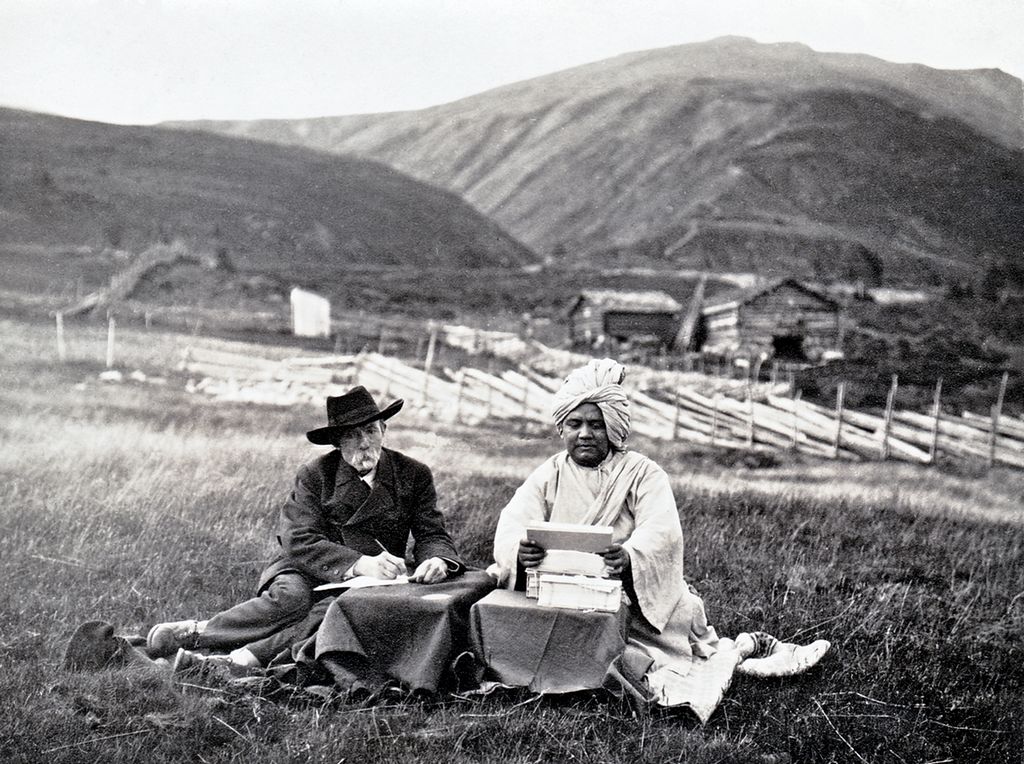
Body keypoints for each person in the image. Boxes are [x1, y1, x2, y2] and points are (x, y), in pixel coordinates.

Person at [489, 359, 828, 720]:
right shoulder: (550, 473)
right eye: (574, 424)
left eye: (596, 424)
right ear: (562, 428)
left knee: (643, 650)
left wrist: (630, 557)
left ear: (614, 430)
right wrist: (518, 550)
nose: (584, 434)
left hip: (628, 595)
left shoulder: (642, 474)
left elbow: (660, 531)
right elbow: (514, 522)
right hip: (559, 588)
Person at [147, 386, 465, 672]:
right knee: (293, 600)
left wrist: (436, 560)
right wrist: (358, 563)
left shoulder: (414, 474)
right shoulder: (316, 475)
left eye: (371, 430)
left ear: (384, 429)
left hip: (376, 581)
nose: (365, 443)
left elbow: (432, 533)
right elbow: (298, 538)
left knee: (332, 611)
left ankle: (238, 660)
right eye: (353, 435)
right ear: (338, 441)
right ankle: (199, 633)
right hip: (307, 566)